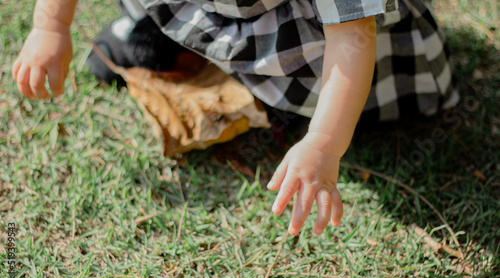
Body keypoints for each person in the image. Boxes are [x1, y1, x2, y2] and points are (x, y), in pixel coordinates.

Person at [12, 0, 459, 236]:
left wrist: (323, 141)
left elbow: (353, 38)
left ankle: (281, 104)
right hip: (222, 10)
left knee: (314, 87)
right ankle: (161, 30)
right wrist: (51, 26)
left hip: (318, 41)